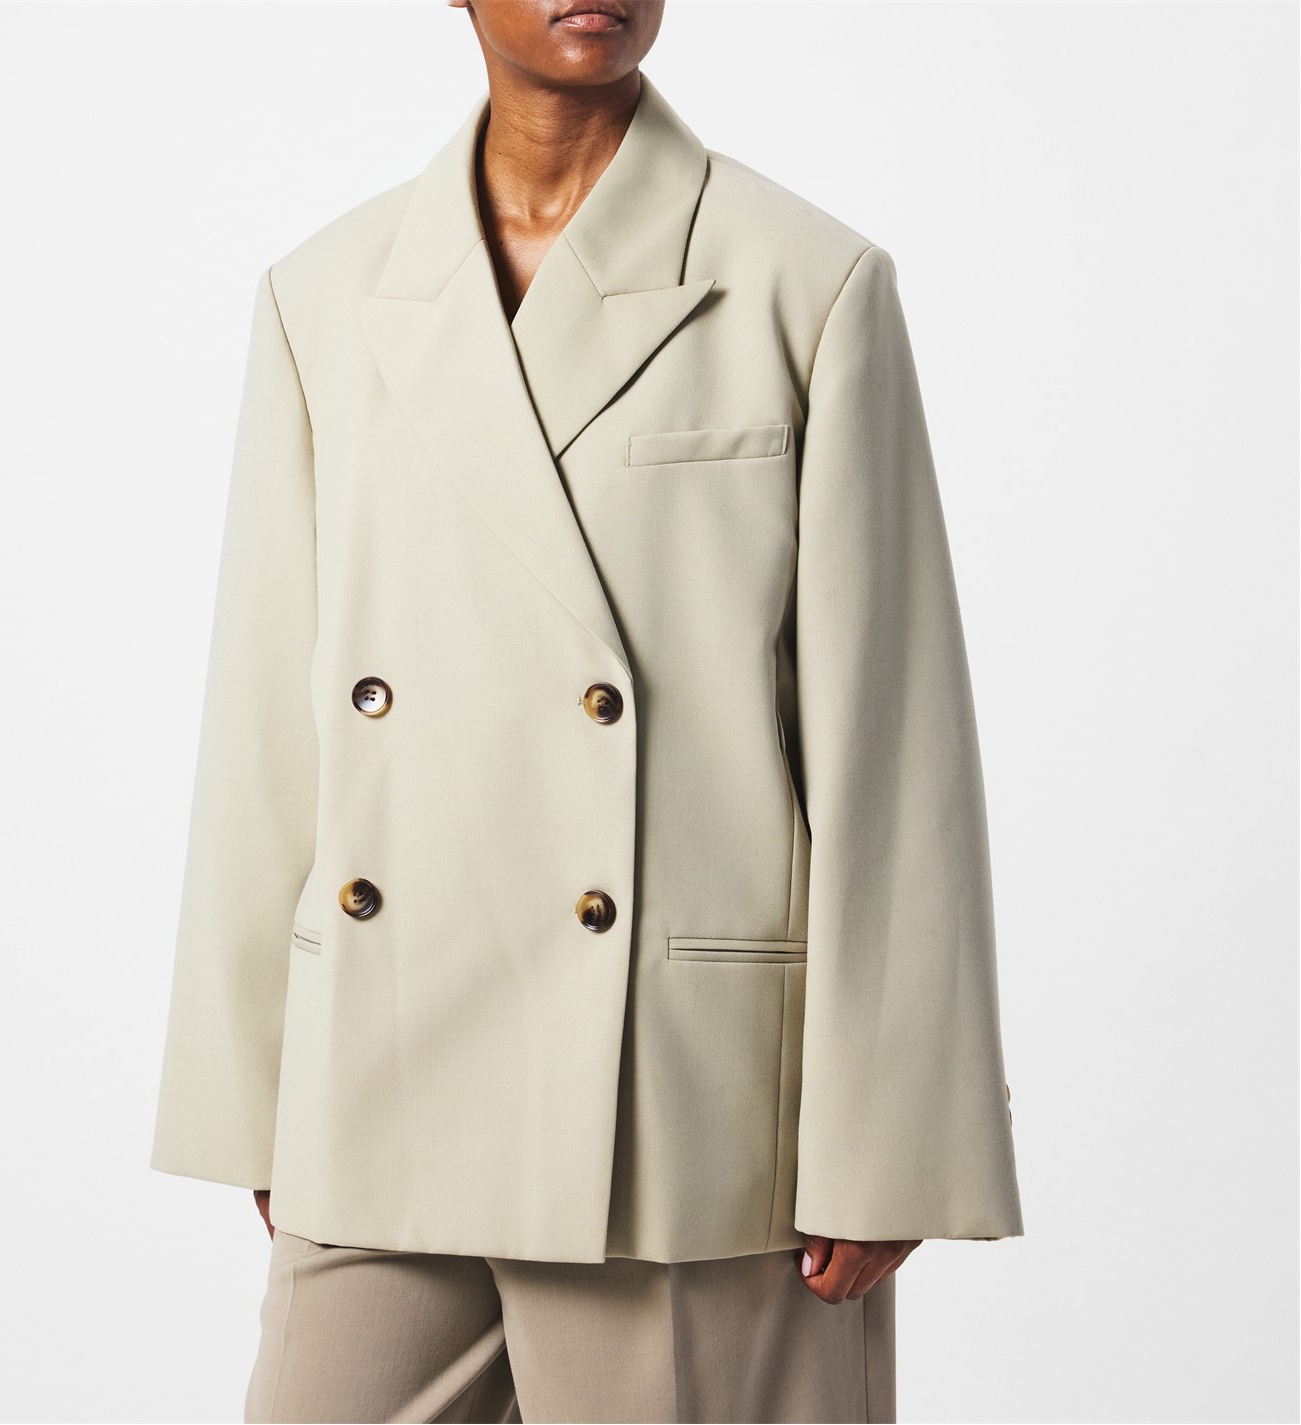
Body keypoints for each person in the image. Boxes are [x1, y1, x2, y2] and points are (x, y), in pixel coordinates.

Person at [150, 1, 1025, 1420]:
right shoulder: (328, 293)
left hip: (681, 1104)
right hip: (385, 1061)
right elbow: (268, 712)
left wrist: (893, 1135)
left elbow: (889, 736)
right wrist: (254, 1092)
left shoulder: (802, 279)